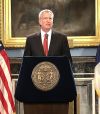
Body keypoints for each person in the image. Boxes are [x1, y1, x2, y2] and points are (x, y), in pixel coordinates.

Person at [22, 9, 74, 114]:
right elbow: (26, 64)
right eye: (45, 18)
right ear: (40, 21)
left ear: (53, 21)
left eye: (50, 18)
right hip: (36, 89)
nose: (48, 20)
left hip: (57, 88)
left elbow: (68, 62)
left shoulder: (62, 38)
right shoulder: (31, 39)